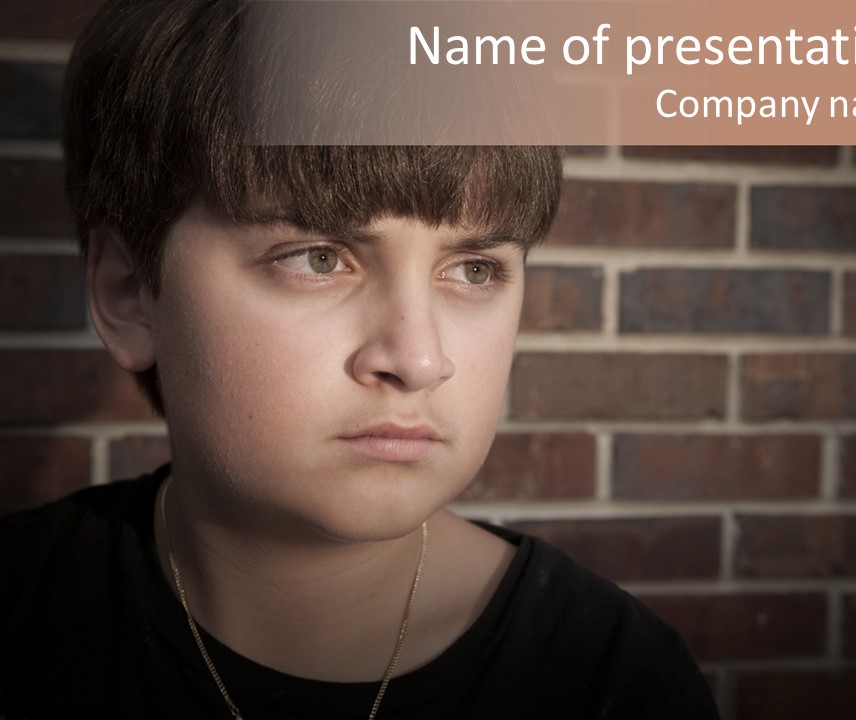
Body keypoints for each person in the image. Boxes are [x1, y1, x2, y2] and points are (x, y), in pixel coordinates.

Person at [0, 1, 718, 718]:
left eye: (472, 270)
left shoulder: (617, 681)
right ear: (128, 293)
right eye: (318, 258)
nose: (419, 359)